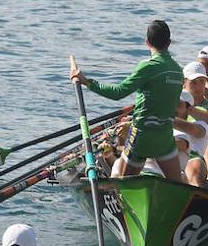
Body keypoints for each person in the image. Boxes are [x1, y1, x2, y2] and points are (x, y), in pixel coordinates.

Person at [71, 19, 185, 182]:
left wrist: (87, 81)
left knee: (125, 185)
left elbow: (118, 93)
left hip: (141, 136)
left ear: (147, 43)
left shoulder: (148, 66)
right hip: (165, 137)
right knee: (178, 185)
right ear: (169, 43)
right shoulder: (178, 71)